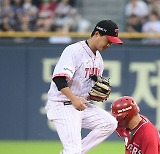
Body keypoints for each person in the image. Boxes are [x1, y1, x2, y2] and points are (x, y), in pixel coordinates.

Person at [45, 20, 123, 154]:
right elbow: (59, 79)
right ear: (97, 34)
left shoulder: (99, 60)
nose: (110, 44)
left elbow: (92, 84)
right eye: (108, 40)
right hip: (62, 104)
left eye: (113, 42)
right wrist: (74, 99)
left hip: (79, 106)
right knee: (72, 150)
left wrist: (96, 89)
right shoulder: (74, 50)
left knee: (109, 123)